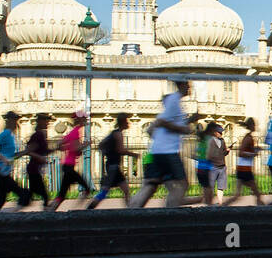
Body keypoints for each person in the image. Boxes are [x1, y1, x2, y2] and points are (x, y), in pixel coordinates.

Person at [132, 79, 197, 208]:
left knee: (151, 186)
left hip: (159, 150)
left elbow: (165, 123)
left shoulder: (175, 101)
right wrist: (183, 129)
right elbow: (161, 122)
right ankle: (170, 213)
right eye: (188, 85)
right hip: (168, 151)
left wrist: (189, 120)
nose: (190, 87)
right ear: (182, 85)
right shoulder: (174, 100)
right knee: (182, 184)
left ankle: (130, 213)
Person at [88, 113, 133, 208]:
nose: (128, 123)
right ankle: (91, 206)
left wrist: (107, 153)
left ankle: (130, 209)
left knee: (126, 189)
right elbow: (120, 150)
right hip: (113, 167)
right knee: (105, 190)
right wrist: (133, 154)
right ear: (123, 122)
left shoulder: (113, 133)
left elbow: (101, 144)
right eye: (127, 121)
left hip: (112, 165)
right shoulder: (118, 134)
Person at [0, 111, 29, 211]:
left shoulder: (12, 136)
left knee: (1, 199)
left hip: (6, 170)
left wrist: (26, 151)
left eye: (16, 120)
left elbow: (12, 156)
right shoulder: (5, 134)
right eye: (14, 120)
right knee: (22, 193)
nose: (16, 123)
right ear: (8, 121)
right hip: (1, 170)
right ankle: (12, 212)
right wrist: (2, 156)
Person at [51, 110, 93, 210]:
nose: (86, 120)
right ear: (79, 119)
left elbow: (60, 143)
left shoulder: (73, 131)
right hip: (69, 166)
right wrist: (86, 144)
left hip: (68, 166)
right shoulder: (76, 132)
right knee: (86, 188)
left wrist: (65, 148)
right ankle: (77, 209)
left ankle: (51, 208)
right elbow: (76, 148)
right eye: (84, 118)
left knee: (63, 193)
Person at [224, 117, 262, 206]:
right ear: (251, 126)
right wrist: (253, 154)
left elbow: (247, 150)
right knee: (257, 194)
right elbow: (241, 153)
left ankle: (221, 207)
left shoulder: (249, 137)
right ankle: (262, 213)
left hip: (242, 168)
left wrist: (255, 150)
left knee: (237, 195)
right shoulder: (248, 138)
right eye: (254, 125)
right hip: (245, 170)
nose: (255, 127)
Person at [23, 113, 54, 209]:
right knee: (43, 194)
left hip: (36, 167)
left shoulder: (41, 135)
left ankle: (20, 205)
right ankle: (46, 210)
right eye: (45, 120)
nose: (47, 123)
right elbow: (28, 150)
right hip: (33, 167)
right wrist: (39, 157)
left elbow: (43, 151)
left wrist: (56, 148)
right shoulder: (37, 135)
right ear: (40, 121)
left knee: (31, 193)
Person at [199, 122, 229, 205]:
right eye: (219, 132)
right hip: (213, 166)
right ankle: (209, 202)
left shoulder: (222, 141)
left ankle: (220, 202)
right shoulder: (210, 140)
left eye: (221, 132)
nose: (221, 134)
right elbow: (208, 154)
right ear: (214, 132)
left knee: (221, 186)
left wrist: (227, 151)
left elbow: (223, 152)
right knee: (210, 186)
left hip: (222, 166)